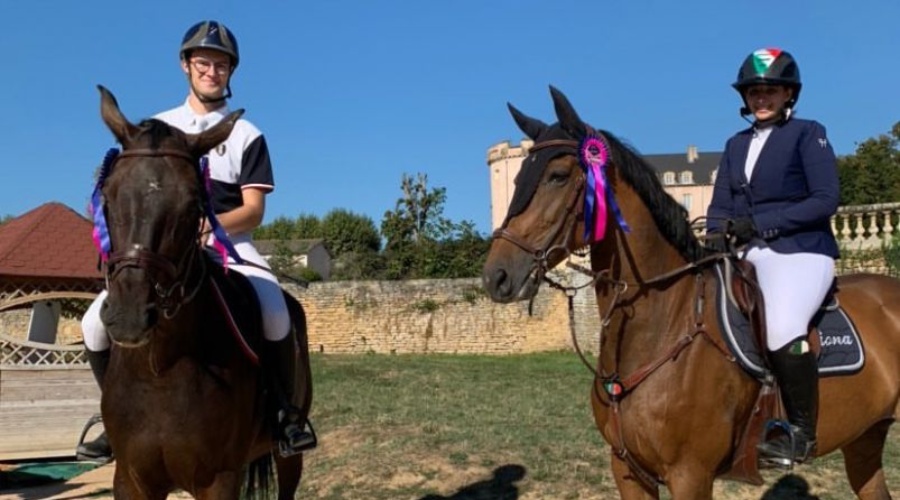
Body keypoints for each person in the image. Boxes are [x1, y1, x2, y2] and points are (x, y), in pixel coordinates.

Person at [77, 20, 313, 461]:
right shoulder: (159, 126)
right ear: (186, 65)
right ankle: (114, 420)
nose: (212, 71)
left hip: (230, 242)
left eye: (221, 64)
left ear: (231, 72)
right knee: (92, 324)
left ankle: (283, 415)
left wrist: (211, 226)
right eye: (203, 62)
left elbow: (254, 209)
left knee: (276, 311)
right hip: (164, 246)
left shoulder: (246, 133)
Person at [706, 47, 840, 465]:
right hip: (747, 253)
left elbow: (825, 198)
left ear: (788, 95)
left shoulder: (808, 133)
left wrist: (762, 225)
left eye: (770, 91)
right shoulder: (735, 144)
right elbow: (721, 202)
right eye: (754, 91)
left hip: (800, 251)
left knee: (782, 328)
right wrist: (714, 233)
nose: (761, 98)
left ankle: (801, 433)